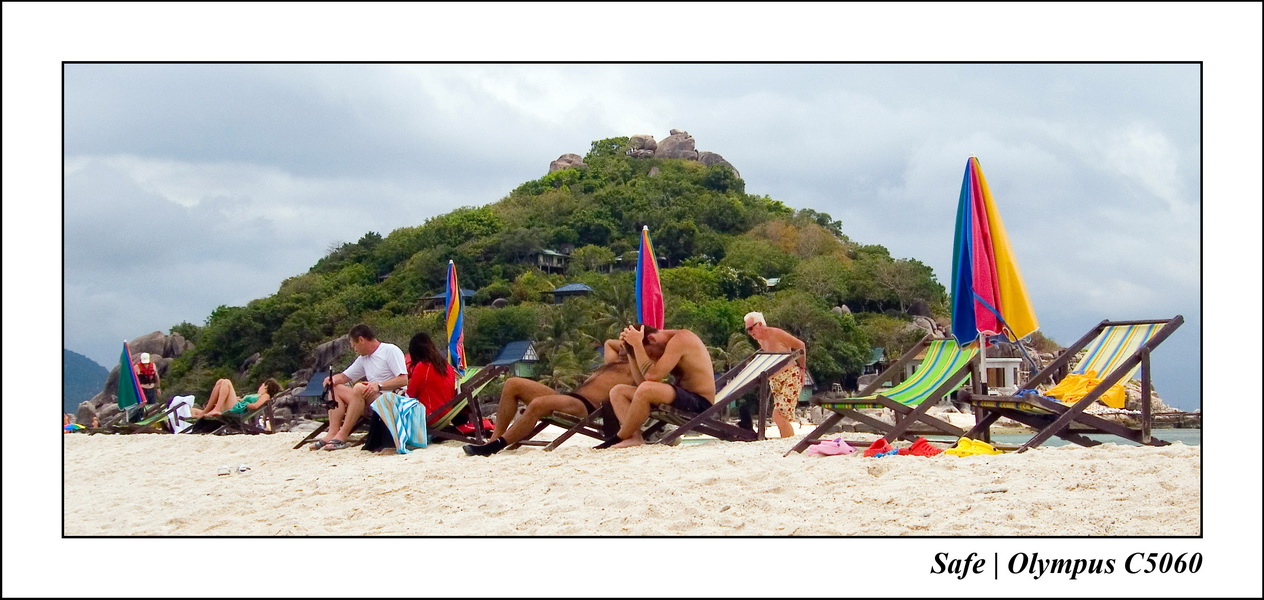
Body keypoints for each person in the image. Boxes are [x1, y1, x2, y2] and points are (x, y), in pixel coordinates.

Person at [462, 333, 665, 456]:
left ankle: (497, 445)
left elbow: (648, 379)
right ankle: (494, 440)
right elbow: (609, 343)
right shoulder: (613, 361)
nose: (621, 347)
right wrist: (625, 339)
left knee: (539, 404)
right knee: (513, 383)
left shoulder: (637, 367)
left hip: (586, 406)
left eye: (626, 344)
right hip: (570, 396)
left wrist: (635, 348)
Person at [598, 324, 716, 449]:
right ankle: (634, 437)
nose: (652, 358)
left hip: (699, 403)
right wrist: (631, 351)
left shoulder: (682, 338)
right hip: (681, 397)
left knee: (646, 389)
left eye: (649, 353)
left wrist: (638, 344)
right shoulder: (661, 345)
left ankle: (619, 437)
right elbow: (641, 382)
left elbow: (651, 377)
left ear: (652, 339)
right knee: (618, 391)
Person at [311, 324, 408, 451]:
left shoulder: (389, 350)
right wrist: (333, 379)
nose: (355, 349)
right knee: (335, 388)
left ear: (361, 340)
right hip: (372, 398)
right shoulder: (364, 358)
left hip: (392, 398)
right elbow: (345, 377)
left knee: (359, 387)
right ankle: (333, 432)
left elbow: (403, 379)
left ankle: (342, 435)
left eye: (354, 346)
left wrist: (379, 385)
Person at [361, 331, 456, 454]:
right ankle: (375, 444)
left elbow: (410, 395)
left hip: (429, 415)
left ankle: (381, 444)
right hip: (445, 414)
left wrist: (397, 391)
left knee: (385, 401)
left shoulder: (423, 366)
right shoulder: (446, 366)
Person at [743, 311, 807, 438]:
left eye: (751, 328)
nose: (750, 333)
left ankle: (789, 441)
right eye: (748, 330)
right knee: (782, 417)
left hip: (790, 376)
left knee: (778, 415)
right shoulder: (760, 340)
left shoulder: (776, 333)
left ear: (760, 324)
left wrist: (802, 368)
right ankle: (788, 440)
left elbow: (800, 345)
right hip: (775, 381)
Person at [190, 378, 282, 418]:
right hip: (237, 406)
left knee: (226, 382)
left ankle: (216, 409)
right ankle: (204, 412)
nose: (260, 387)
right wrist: (241, 400)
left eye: (262, 385)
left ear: (266, 386)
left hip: (238, 410)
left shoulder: (266, 396)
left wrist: (244, 403)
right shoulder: (258, 395)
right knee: (220, 382)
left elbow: (255, 406)